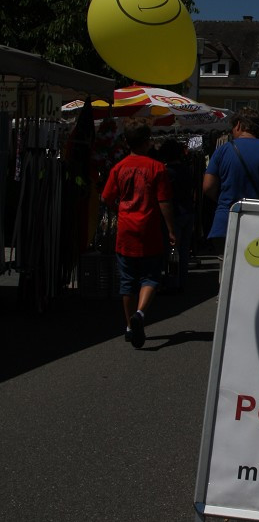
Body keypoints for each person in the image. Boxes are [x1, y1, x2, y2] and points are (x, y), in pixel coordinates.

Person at [102, 118, 175, 349]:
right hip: (149, 229)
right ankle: (141, 314)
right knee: (151, 276)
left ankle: (128, 325)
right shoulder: (157, 168)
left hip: (125, 230)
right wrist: (172, 229)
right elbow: (164, 201)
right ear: (147, 141)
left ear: (127, 142)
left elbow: (106, 198)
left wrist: (120, 208)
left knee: (127, 281)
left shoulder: (119, 167)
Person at [203, 108, 259, 263]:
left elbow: (208, 187)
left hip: (226, 220)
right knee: (256, 268)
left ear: (238, 125)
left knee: (227, 271)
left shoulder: (223, 150)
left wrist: (223, 199)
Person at [158, 139, 195, 293]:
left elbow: (165, 198)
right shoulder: (187, 169)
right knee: (184, 250)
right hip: (188, 212)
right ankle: (182, 280)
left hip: (175, 215)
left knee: (172, 251)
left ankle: (173, 282)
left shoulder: (167, 172)